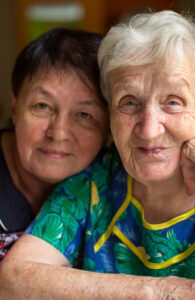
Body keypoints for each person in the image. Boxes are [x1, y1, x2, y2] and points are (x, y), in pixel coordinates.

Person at [1, 11, 195, 299]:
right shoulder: (91, 184)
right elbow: (12, 282)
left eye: (173, 102)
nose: (149, 129)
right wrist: (164, 293)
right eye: (129, 102)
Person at [0, 27, 109, 260]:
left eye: (84, 115)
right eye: (42, 106)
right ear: (15, 106)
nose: (58, 133)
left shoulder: (116, 182)